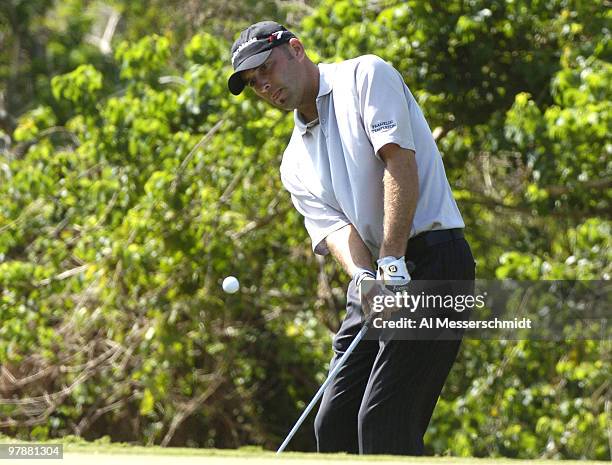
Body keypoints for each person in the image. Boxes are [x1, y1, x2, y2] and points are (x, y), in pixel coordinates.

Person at [227, 21, 476, 456]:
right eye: (252, 82)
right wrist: (364, 277)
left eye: (265, 68)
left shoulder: (366, 76)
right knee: (335, 421)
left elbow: (399, 164)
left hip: (436, 263)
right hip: (378, 276)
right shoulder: (293, 162)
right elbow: (337, 230)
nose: (263, 85)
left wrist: (393, 260)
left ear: (296, 49)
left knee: (383, 419)